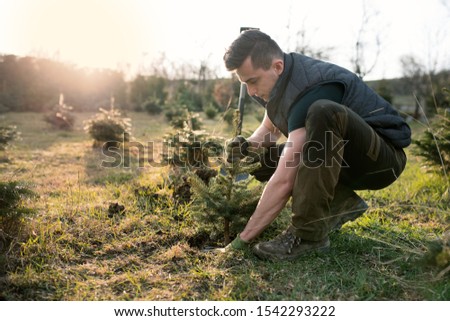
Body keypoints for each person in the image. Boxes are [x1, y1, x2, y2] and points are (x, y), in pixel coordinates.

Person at [223, 30, 411, 260]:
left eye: (253, 81)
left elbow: (284, 179)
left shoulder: (310, 87)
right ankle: (340, 201)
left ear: (277, 67)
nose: (251, 91)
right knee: (262, 159)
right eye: (245, 85)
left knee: (323, 111)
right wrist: (245, 149)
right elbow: (269, 131)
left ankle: (308, 235)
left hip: (381, 159)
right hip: (341, 157)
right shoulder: (279, 82)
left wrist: (242, 240)